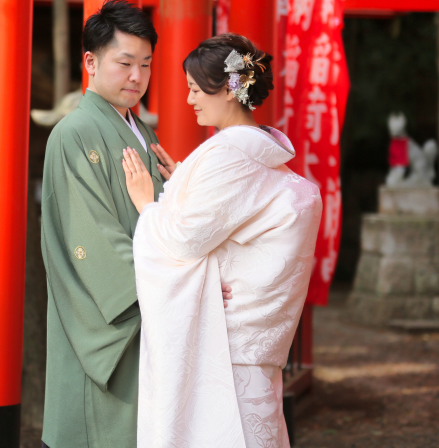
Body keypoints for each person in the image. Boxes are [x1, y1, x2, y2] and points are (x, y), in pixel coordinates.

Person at [40, 0, 232, 448]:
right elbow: (97, 243)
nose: (136, 77)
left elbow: (164, 224)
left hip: (153, 309)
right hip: (114, 319)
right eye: (125, 63)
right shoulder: (73, 134)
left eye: (145, 65)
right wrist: (185, 286)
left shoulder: (142, 132)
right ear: (90, 61)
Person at [121, 33, 323, 448]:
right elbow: (233, 214)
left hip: (225, 343)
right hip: (249, 345)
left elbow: (182, 240)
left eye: (196, 89)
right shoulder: (264, 148)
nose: (190, 100)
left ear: (230, 90)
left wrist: (149, 204)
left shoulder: (228, 153)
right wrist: (184, 184)